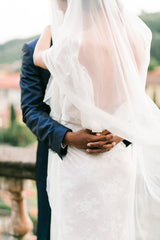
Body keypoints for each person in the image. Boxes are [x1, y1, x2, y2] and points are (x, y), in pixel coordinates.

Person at [33, 0, 160, 239]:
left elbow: (38, 56)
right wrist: (122, 131)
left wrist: (49, 28)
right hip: (118, 157)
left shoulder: (73, 43)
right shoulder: (139, 37)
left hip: (80, 160)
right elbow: (135, 100)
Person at [20, 1, 131, 239]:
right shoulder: (33, 49)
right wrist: (68, 138)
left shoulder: (119, 43)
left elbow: (136, 103)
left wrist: (122, 132)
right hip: (63, 160)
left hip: (115, 163)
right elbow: (31, 110)